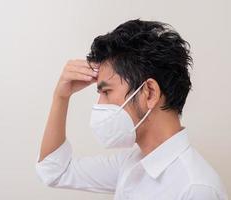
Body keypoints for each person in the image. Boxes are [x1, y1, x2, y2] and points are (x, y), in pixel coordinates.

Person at [35, 19, 228, 200]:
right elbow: (54, 172)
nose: (100, 105)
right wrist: (61, 97)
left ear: (149, 92)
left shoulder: (195, 189)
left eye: (107, 92)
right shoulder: (133, 162)